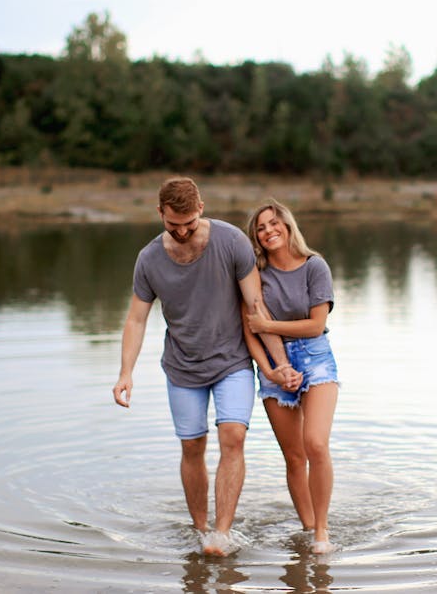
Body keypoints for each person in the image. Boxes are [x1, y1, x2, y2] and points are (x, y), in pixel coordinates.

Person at [112, 177, 300, 557]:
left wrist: (279, 365)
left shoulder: (231, 242)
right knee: (192, 446)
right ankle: (200, 530)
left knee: (233, 437)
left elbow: (256, 308)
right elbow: (136, 319)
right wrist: (125, 372)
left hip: (231, 360)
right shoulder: (149, 259)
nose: (181, 232)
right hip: (182, 367)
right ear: (160, 213)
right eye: (172, 225)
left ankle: (221, 533)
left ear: (200, 208)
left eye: (188, 223)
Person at [242, 199, 340, 554]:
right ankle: (309, 526)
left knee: (316, 443)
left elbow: (316, 325)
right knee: (295, 457)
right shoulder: (254, 274)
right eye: (260, 228)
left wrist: (269, 324)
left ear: (287, 225)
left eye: (273, 224)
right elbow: (248, 330)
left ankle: (322, 533)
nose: (268, 231)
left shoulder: (315, 267)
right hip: (272, 366)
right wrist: (269, 370)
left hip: (316, 360)